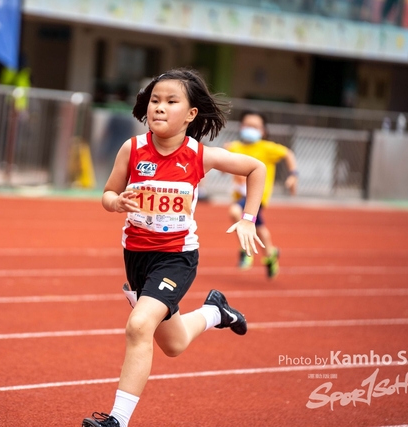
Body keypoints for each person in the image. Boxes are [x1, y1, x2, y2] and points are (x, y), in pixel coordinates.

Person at [82, 69, 266, 427]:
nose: (159, 107)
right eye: (155, 100)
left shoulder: (199, 155)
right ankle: (216, 312)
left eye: (170, 101)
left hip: (176, 257)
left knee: (139, 326)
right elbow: (107, 193)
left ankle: (117, 420)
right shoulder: (132, 148)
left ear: (191, 114)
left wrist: (248, 218)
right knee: (174, 344)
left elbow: (256, 168)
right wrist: (116, 203)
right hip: (136, 257)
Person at [224, 110, 298, 278]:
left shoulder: (267, 148)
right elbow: (224, 169)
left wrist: (294, 175)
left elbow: (288, 154)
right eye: (247, 125)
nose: (250, 129)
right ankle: (271, 254)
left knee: (235, 212)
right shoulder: (235, 147)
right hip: (240, 195)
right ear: (241, 127)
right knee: (259, 228)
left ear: (263, 131)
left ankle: (245, 250)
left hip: (257, 197)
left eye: (255, 126)